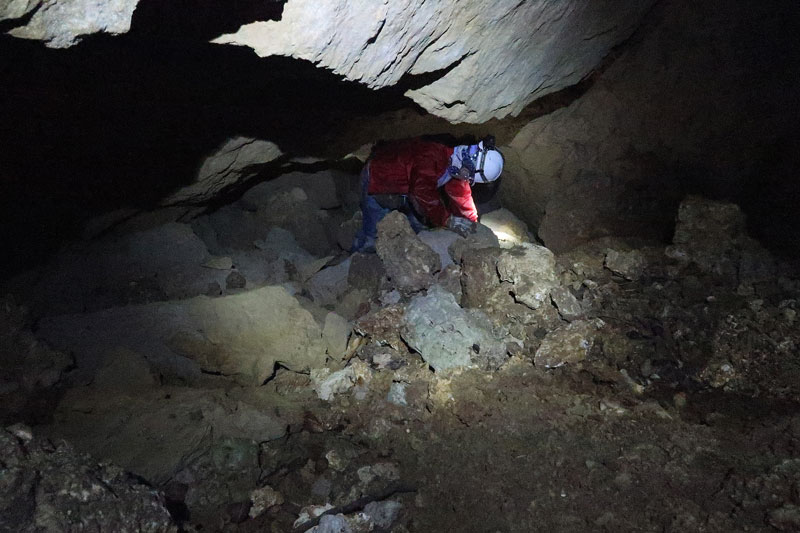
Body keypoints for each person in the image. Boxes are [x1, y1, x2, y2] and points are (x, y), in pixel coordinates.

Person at [351, 135, 504, 252]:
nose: (467, 179)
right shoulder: (432, 155)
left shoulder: (456, 164)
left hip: (405, 190)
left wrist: (471, 221)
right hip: (378, 178)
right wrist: (448, 220)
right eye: (468, 177)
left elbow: (460, 194)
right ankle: (361, 256)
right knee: (375, 230)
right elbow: (422, 191)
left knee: (417, 228)